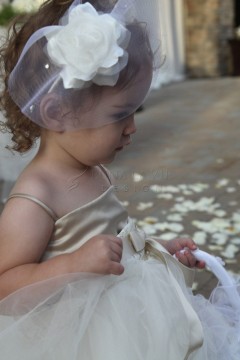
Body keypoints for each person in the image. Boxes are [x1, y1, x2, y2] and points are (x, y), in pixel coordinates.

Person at [0, 1, 238, 359]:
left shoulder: (93, 167)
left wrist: (160, 247)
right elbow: (5, 287)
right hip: (87, 340)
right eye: (119, 114)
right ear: (56, 111)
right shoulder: (36, 194)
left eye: (134, 110)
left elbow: (120, 239)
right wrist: (72, 265)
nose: (133, 127)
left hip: (134, 320)